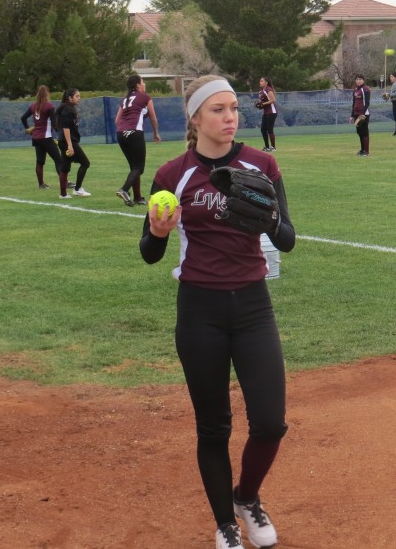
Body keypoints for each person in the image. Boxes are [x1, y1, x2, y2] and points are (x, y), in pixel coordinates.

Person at [139, 74, 296, 549]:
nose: (230, 118)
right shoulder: (172, 176)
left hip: (252, 306)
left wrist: (267, 216)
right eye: (218, 109)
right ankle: (225, 524)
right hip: (199, 310)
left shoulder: (261, 163)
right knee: (214, 427)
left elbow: (287, 237)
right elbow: (149, 253)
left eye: (233, 108)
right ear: (195, 118)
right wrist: (160, 231)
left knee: (270, 422)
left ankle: (246, 498)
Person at [115, 74, 161, 206]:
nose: (144, 84)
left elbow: (117, 120)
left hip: (120, 133)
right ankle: (124, 190)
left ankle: (138, 197)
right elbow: (153, 118)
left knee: (134, 167)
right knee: (139, 167)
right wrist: (156, 133)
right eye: (143, 82)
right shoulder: (145, 97)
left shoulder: (125, 99)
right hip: (134, 133)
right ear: (137, 85)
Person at [20, 85, 63, 189]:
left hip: (36, 138)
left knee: (40, 162)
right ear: (47, 94)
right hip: (46, 137)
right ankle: (64, 182)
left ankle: (41, 184)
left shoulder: (33, 106)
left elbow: (23, 118)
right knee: (58, 160)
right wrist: (61, 133)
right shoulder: (49, 106)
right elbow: (54, 123)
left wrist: (28, 129)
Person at [56, 89, 91, 198]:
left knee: (65, 168)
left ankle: (63, 194)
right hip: (68, 141)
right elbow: (66, 128)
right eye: (77, 96)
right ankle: (77, 189)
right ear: (70, 98)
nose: (79, 98)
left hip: (63, 141)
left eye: (79, 96)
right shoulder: (67, 109)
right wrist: (70, 145)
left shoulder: (67, 108)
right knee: (85, 163)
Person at [255, 77, 278, 152]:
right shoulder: (261, 91)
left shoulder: (268, 89)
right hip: (266, 112)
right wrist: (259, 105)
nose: (260, 82)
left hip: (272, 112)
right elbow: (262, 103)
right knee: (263, 130)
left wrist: (263, 104)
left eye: (262, 81)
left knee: (269, 129)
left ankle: (273, 147)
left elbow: (273, 100)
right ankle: (267, 147)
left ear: (266, 82)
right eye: (260, 81)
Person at [350, 74, 371, 156]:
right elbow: (354, 103)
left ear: (363, 80)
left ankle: (367, 151)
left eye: (360, 79)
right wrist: (352, 115)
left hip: (364, 114)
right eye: (357, 79)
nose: (358, 81)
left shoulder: (365, 89)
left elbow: (367, 103)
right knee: (359, 132)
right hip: (356, 114)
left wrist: (362, 114)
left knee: (364, 132)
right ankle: (362, 150)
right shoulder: (355, 90)